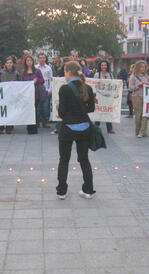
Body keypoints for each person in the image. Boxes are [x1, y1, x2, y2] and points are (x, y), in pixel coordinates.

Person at [56, 61, 96, 200]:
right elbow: (91, 109)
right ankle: (88, 190)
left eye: (65, 72)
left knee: (64, 160)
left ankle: (62, 191)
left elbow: (61, 113)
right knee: (84, 159)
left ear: (68, 72)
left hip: (68, 128)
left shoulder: (64, 89)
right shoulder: (88, 88)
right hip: (84, 128)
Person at [0, 56, 20, 134]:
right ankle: (1, 127)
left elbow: (19, 83)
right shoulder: (1, 72)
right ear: (5, 64)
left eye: (10, 63)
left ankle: (9, 127)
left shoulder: (16, 73)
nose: (9, 64)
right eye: (8, 63)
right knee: (2, 111)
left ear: (13, 64)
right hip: (3, 95)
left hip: (12, 95)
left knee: (10, 111)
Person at [21, 56, 44, 134]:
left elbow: (42, 80)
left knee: (34, 110)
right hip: (27, 94)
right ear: (25, 62)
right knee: (28, 110)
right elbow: (21, 82)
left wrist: (37, 80)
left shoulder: (37, 71)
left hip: (35, 93)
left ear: (33, 62)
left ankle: (34, 127)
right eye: (27, 60)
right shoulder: (23, 72)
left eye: (30, 60)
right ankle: (29, 127)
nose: (29, 62)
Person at [129, 60, 149, 138]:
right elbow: (130, 88)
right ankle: (138, 130)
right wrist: (138, 85)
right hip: (136, 97)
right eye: (141, 67)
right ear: (138, 67)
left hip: (146, 97)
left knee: (145, 114)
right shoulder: (133, 76)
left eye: (144, 67)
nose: (143, 68)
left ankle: (143, 131)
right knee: (138, 114)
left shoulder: (146, 76)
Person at [93, 60, 115, 134]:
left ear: (107, 66)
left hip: (108, 96)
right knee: (99, 111)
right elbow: (94, 84)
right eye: (102, 65)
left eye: (105, 65)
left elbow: (114, 84)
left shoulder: (110, 75)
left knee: (108, 111)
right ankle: (96, 127)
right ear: (100, 66)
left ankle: (110, 128)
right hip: (99, 96)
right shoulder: (97, 74)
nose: (103, 67)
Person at [36, 53, 53, 128]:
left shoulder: (48, 68)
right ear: (38, 59)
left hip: (46, 88)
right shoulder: (35, 67)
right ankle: (38, 122)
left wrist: (50, 89)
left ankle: (45, 122)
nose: (42, 59)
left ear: (45, 59)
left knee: (46, 106)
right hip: (38, 89)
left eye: (43, 58)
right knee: (38, 107)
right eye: (40, 58)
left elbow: (51, 79)